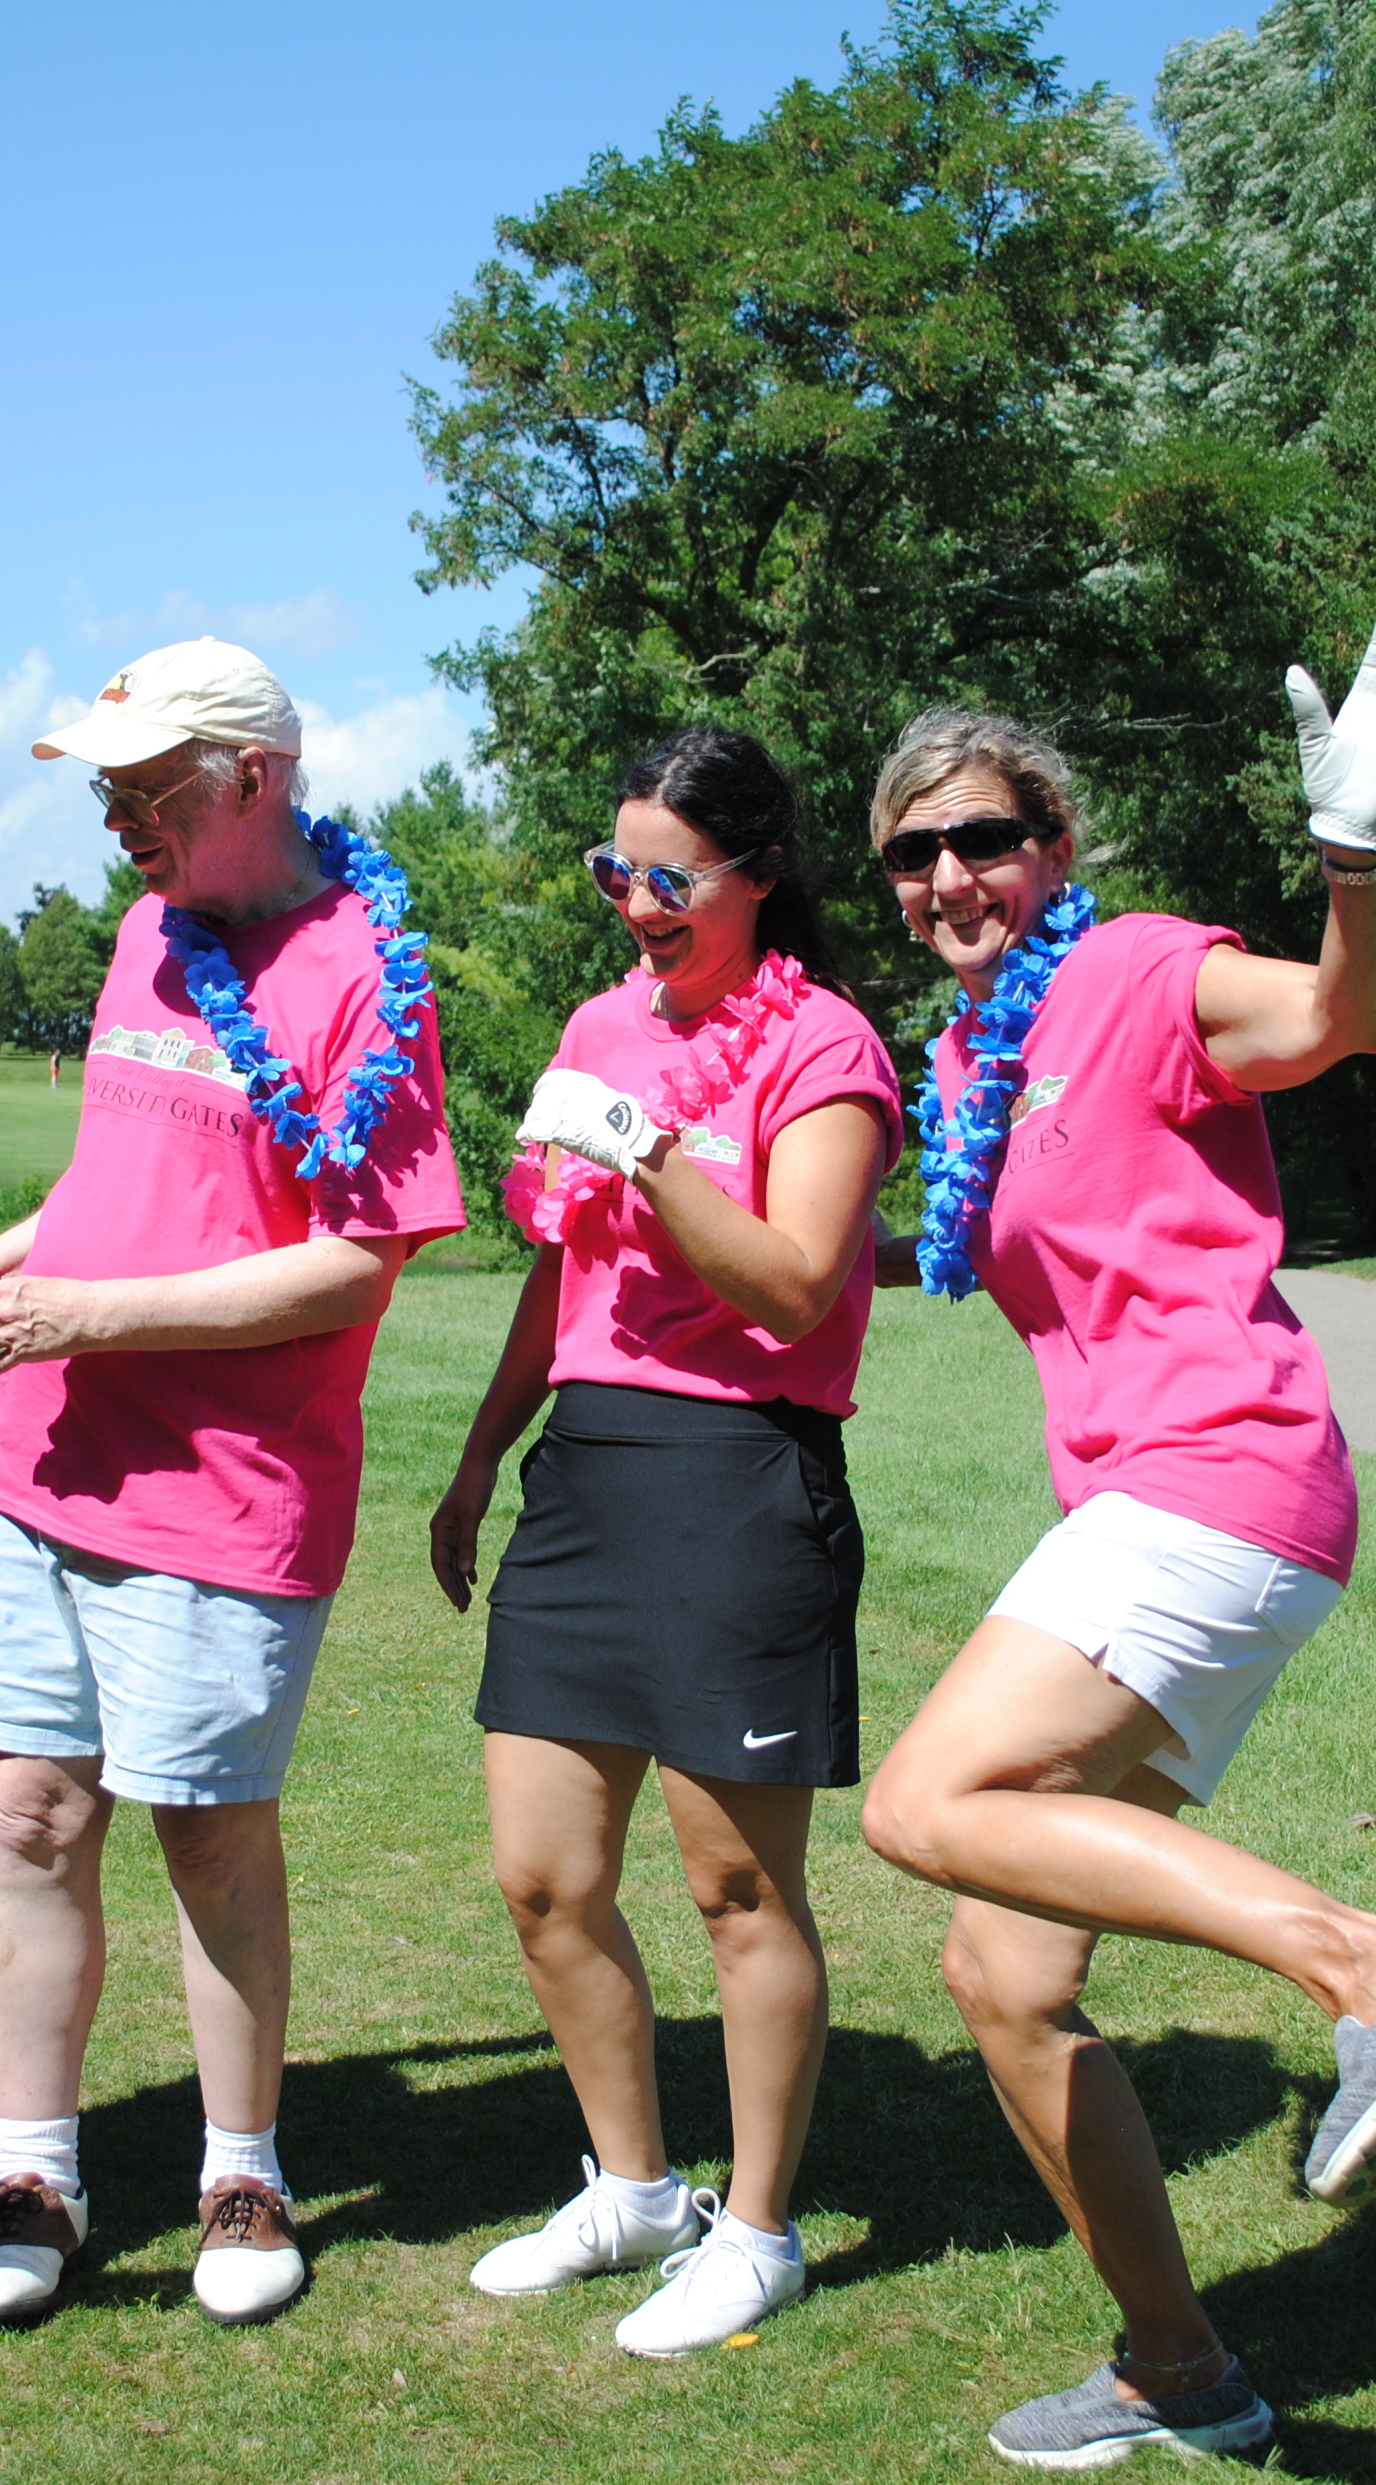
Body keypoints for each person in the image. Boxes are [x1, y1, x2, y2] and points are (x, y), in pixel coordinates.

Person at [850, 617, 1376, 2471]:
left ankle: (1372, 1965)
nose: (949, 878)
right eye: (912, 854)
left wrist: (1355, 855)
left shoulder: (1138, 972)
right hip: (1154, 1504)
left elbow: (1334, 1020)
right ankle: (1181, 2368)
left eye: (982, 837)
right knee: (1005, 1972)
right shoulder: (974, 1057)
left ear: (1053, 849)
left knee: (918, 1803)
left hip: (1218, 1477)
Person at [0, 639, 464, 2330]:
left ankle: (241, 2168)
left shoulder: (369, 978)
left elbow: (356, 1265)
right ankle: (34, 2169)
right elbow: (117, 1179)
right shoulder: (150, 934)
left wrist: (89, 1318)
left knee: (207, 1832)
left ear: (253, 778)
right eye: (105, 787)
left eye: (143, 786)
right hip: (46, 1468)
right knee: (30, 1815)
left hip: (224, 1494)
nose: (112, 817)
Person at [427, 730, 899, 2356]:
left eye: (667, 875)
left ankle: (757, 2231)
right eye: (612, 869)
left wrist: (646, 1145)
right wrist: (486, 1454)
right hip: (589, 1470)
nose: (634, 902)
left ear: (758, 877)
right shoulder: (600, 1027)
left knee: (736, 1889)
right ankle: (631, 2190)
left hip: (739, 1475)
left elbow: (794, 1282)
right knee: (546, 1879)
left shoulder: (826, 1044)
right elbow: (560, 1270)